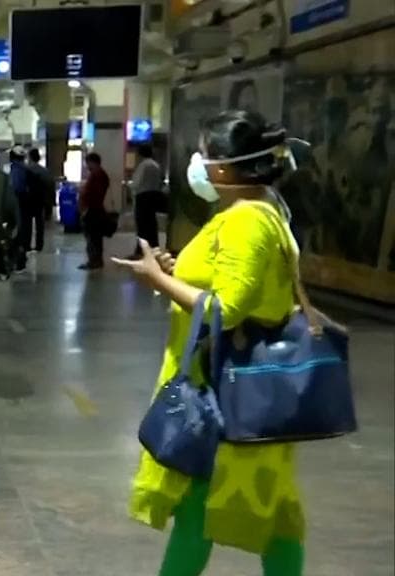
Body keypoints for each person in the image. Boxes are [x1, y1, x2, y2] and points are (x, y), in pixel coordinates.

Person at [113, 110, 305, 576]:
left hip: (226, 386)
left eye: (205, 153)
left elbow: (225, 309)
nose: (197, 162)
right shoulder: (259, 209)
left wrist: (158, 279)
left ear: (223, 167)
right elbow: (231, 283)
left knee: (205, 498)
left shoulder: (246, 221)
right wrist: (177, 269)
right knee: (268, 505)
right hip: (245, 385)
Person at [130, 144, 167, 259]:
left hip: (143, 197)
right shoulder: (156, 165)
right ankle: (153, 249)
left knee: (142, 225)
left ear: (140, 153)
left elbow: (136, 182)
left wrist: (130, 186)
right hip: (153, 196)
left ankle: (140, 251)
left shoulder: (143, 165)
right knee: (151, 224)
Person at [79, 152, 109, 270]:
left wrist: (84, 206)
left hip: (93, 210)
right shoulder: (100, 174)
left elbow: (92, 193)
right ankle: (96, 260)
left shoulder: (96, 175)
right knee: (96, 237)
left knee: (93, 237)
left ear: (93, 162)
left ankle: (94, 261)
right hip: (95, 209)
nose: (87, 166)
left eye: (88, 163)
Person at [9, 146, 33, 272]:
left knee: (17, 234)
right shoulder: (26, 169)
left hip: (18, 205)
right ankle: (20, 259)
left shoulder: (16, 170)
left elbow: (15, 188)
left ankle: (18, 261)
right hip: (26, 206)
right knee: (23, 233)